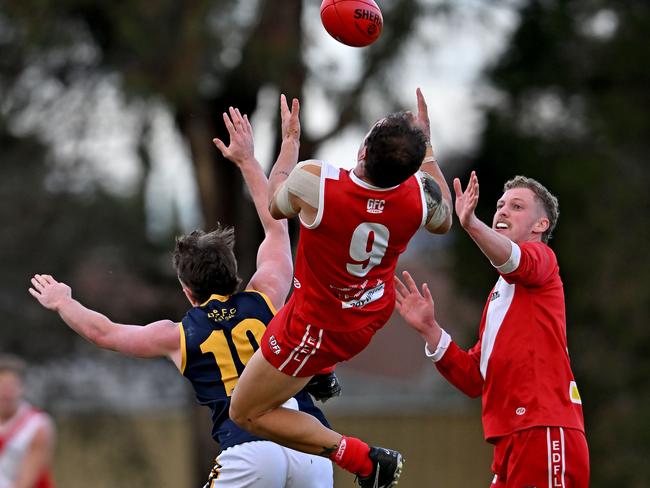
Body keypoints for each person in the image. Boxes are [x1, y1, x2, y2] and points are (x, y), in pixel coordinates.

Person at [28, 106, 333, 487]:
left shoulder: (179, 335)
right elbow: (275, 229)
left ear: (188, 291)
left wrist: (63, 301)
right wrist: (248, 161)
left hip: (249, 447)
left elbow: (102, 333)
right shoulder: (266, 294)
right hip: (310, 444)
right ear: (234, 273)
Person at [227, 88, 453, 488]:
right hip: (369, 311)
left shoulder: (315, 182)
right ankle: (322, 372)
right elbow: (445, 218)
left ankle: (366, 460)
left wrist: (290, 145)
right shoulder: (420, 196)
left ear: (363, 151)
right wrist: (428, 151)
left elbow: (276, 204)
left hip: (316, 326)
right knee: (302, 289)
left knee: (244, 412)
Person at [395, 172, 589, 487]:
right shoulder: (500, 294)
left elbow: (517, 263)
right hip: (509, 440)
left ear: (540, 225)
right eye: (500, 205)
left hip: (543, 428)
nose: (502, 211)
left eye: (516, 206)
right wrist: (430, 329)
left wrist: (471, 224)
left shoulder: (542, 260)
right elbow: (474, 378)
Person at [0, 354, 56, 488]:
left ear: (21, 388)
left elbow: (26, 482)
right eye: (2, 386)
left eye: (11, 385)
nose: (6, 392)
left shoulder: (37, 424)